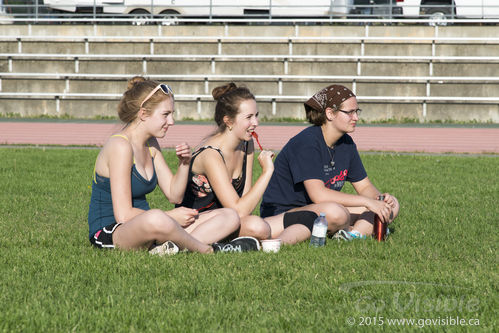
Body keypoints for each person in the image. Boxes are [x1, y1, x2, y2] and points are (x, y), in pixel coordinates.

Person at [87, 77, 260, 254]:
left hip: (152, 226)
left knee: (229, 216)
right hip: (112, 231)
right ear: (144, 114)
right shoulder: (120, 146)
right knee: (156, 217)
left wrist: (184, 164)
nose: (171, 121)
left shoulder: (150, 143)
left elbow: (174, 195)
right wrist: (170, 217)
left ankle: (171, 248)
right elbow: (123, 215)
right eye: (165, 114)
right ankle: (209, 249)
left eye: (172, 114)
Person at [179, 83, 321, 245]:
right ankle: (253, 243)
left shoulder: (246, 144)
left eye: (256, 115)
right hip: (200, 226)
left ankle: (270, 245)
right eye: (249, 117)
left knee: (309, 218)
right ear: (228, 121)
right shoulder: (211, 154)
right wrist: (267, 172)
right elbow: (238, 211)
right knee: (258, 227)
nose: (256, 123)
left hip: (235, 222)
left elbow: (246, 206)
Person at [260, 84, 400, 240]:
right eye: (350, 112)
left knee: (392, 205)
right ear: (330, 113)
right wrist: (367, 203)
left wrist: (379, 200)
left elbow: (364, 186)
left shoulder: (346, 143)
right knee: (337, 213)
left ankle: (352, 235)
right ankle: (351, 228)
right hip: (284, 213)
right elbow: (318, 195)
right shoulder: (307, 143)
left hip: (322, 209)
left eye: (357, 111)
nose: (356, 118)